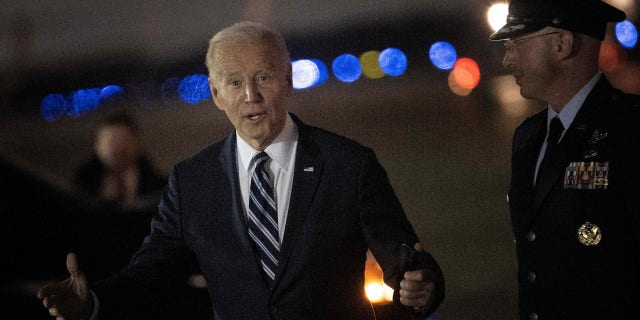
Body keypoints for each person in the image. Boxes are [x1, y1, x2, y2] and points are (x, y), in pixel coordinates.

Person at [37, 21, 445, 320]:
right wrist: (91, 303)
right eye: (234, 83)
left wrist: (419, 287)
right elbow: (151, 274)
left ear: (288, 81)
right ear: (215, 94)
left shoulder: (348, 166)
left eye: (263, 77)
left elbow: (408, 261)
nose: (251, 96)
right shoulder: (193, 182)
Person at [490, 0, 640, 319]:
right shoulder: (528, 138)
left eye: (516, 44)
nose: (507, 59)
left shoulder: (629, 130)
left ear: (562, 44)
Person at [75, 112, 167, 210]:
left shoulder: (160, 188)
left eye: (123, 140)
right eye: (110, 142)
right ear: (97, 146)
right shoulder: (83, 186)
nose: (117, 149)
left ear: (137, 143)